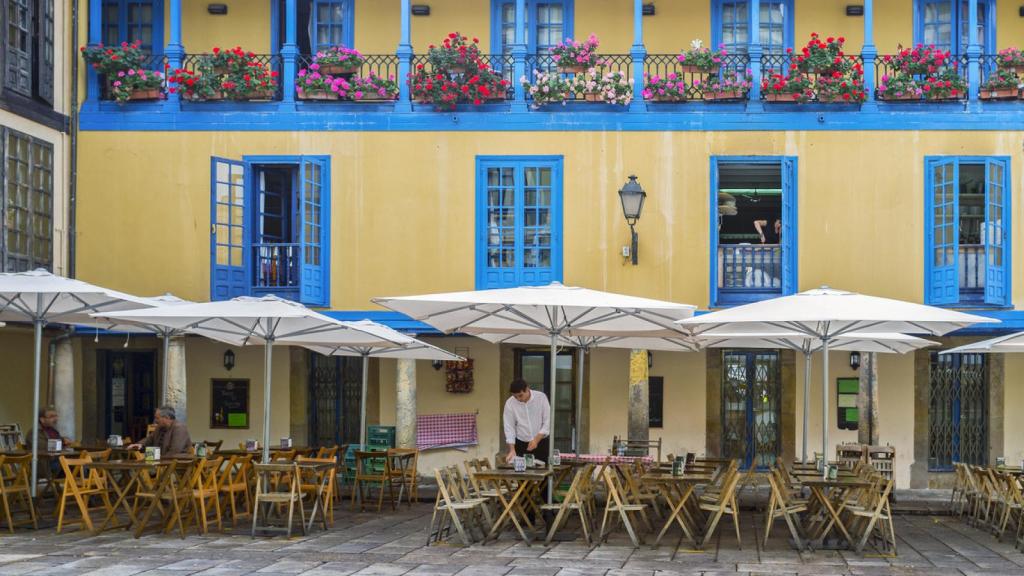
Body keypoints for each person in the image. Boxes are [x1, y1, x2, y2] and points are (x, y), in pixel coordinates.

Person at [503, 379, 550, 464]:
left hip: (541, 442)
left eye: (520, 395)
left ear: (527, 389)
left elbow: (548, 421)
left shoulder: (541, 397)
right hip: (521, 443)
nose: (518, 399)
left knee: (543, 473)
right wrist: (512, 450)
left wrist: (536, 440)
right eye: (515, 396)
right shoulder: (510, 403)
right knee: (521, 474)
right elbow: (509, 426)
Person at [128, 405, 192, 457]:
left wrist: (159, 460)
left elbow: (175, 451)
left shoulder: (179, 428)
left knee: (142, 468)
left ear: (167, 418)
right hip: (161, 461)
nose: (155, 420)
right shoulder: (160, 428)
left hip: (176, 464)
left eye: (157, 418)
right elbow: (149, 439)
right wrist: (139, 444)